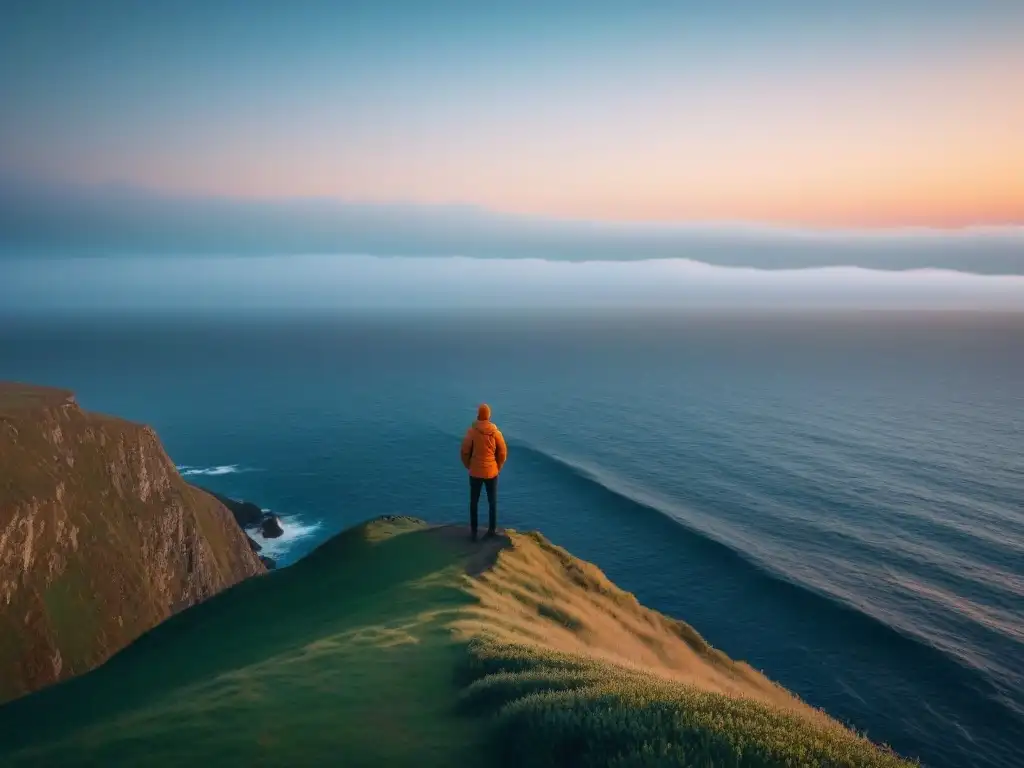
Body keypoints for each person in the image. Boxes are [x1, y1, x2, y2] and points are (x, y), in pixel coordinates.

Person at [460, 403, 507, 541]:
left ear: (478, 415)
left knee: (474, 502)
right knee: (492, 502)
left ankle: (474, 532)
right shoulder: (496, 432)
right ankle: (491, 530)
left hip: (475, 472)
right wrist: (498, 467)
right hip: (492, 472)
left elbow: (464, 451)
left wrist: (469, 465)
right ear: (489, 416)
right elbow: (503, 452)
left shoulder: (472, 431)